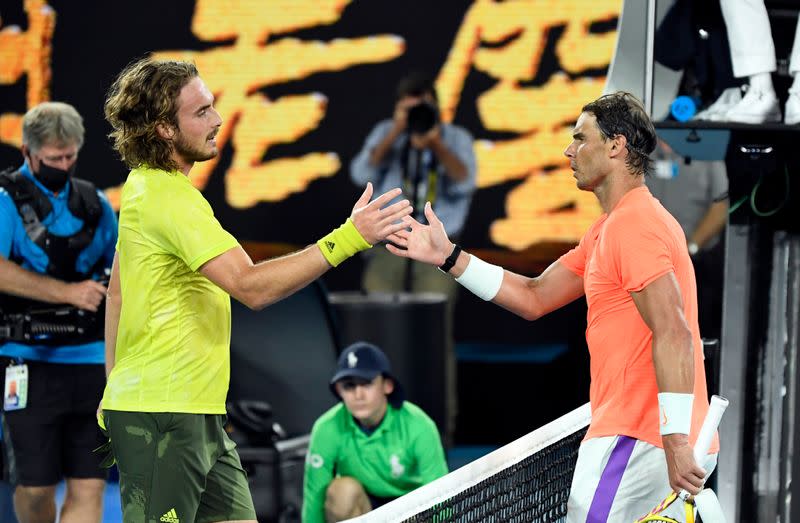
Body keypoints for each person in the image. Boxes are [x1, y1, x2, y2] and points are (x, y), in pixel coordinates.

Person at [99, 57, 412, 523]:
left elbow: (117, 294)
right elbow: (250, 287)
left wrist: (114, 388)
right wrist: (351, 237)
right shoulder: (167, 199)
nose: (218, 120)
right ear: (165, 129)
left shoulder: (144, 191)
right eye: (201, 111)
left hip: (194, 414)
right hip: (162, 418)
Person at [386, 92, 719, 521]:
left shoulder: (634, 226)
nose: (569, 150)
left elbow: (674, 331)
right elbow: (534, 297)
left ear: (616, 146)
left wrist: (673, 440)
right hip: (652, 438)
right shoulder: (611, 228)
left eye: (581, 138)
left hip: (639, 439)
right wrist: (450, 257)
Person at [0, 102, 118, 523]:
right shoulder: (5, 201)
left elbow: (120, 266)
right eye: (54, 159)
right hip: (29, 364)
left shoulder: (95, 202)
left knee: (90, 485)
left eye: (70, 157)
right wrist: (69, 292)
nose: (63, 165)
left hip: (91, 364)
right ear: (28, 153)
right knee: (34, 489)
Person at [350, 72, 476, 445]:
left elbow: (465, 180)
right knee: (376, 327)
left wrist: (435, 144)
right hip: (389, 241)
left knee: (435, 333)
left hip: (436, 245)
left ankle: (439, 428)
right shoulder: (387, 132)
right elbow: (359, 172)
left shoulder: (455, 138)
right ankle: (373, 423)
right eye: (410, 107)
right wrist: (396, 132)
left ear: (437, 105)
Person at [302, 341, 448, 523]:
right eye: (349, 385)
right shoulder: (326, 428)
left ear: (387, 385)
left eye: (367, 383)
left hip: (413, 509)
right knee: (342, 492)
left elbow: (440, 496)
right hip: (365, 508)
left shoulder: (420, 425)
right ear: (340, 390)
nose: (358, 394)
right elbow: (315, 497)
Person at [648, 139, 728, 340]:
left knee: (693, 332)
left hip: (696, 261)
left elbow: (721, 205)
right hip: (648, 263)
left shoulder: (707, 152)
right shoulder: (640, 150)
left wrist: (690, 247)